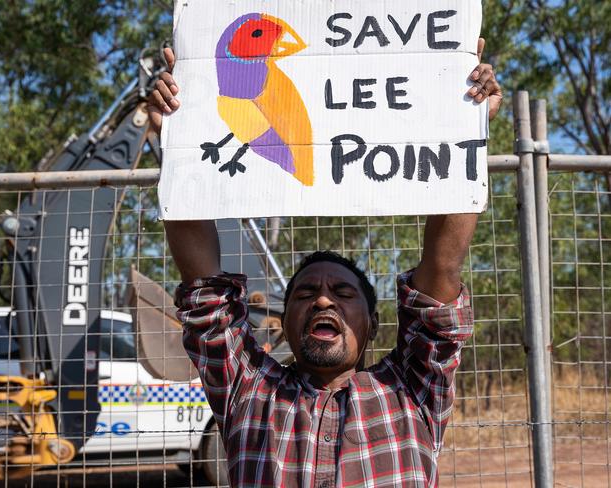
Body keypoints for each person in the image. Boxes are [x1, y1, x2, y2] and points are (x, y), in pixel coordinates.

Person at [149, 39, 503, 488]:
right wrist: (183, 135)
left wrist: (462, 120)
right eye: (304, 293)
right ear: (285, 320)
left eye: (342, 293)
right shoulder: (248, 390)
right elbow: (204, 288)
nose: (321, 300)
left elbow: (441, 272)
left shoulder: (412, 390)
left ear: (372, 324)